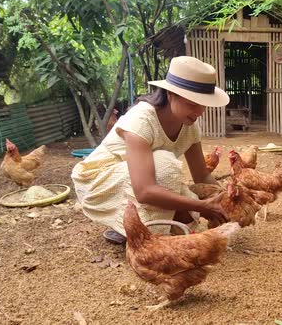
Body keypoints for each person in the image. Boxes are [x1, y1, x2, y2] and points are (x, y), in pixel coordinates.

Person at [71, 56, 230, 243]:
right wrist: (202, 206)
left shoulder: (190, 127)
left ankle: (129, 226)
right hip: (98, 180)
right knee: (165, 165)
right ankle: (147, 238)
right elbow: (144, 191)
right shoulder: (142, 120)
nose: (199, 111)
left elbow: (202, 176)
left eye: (203, 104)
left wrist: (228, 199)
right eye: (193, 104)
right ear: (171, 94)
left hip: (139, 178)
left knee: (185, 214)